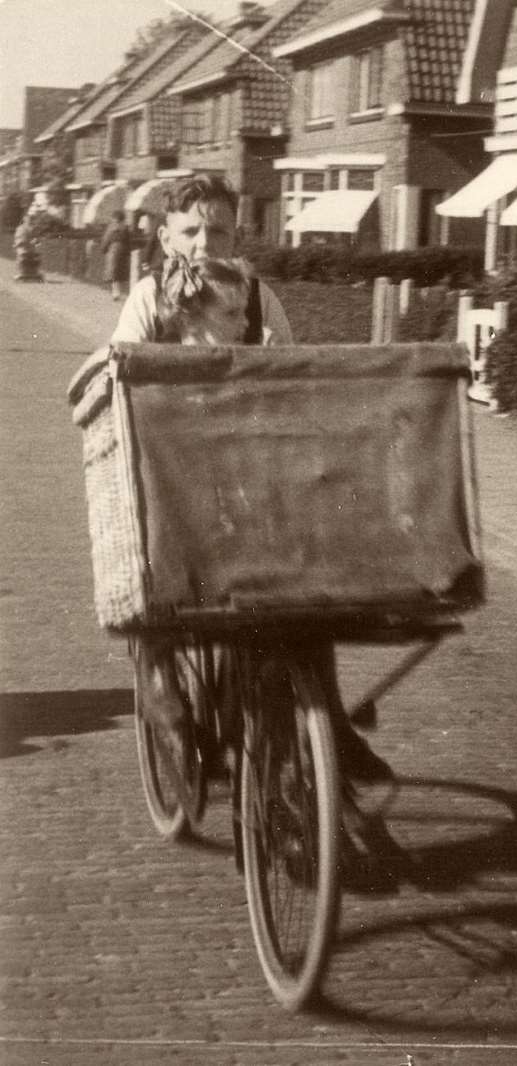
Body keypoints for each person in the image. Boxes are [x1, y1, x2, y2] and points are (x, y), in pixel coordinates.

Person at [110, 173, 391, 784]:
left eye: (218, 230)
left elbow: (295, 383)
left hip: (246, 476)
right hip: (173, 478)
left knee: (300, 585)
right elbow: (117, 384)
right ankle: (162, 693)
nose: (205, 243)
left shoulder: (259, 299)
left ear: (237, 235)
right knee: (152, 576)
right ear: (165, 238)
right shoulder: (149, 299)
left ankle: (326, 721)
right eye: (191, 231)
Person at [101, 209, 130, 301]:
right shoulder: (125, 228)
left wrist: (103, 249)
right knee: (121, 272)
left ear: (114, 218)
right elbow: (128, 240)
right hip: (123, 251)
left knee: (114, 272)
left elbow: (106, 239)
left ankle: (115, 293)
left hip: (113, 250)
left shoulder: (111, 228)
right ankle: (120, 291)